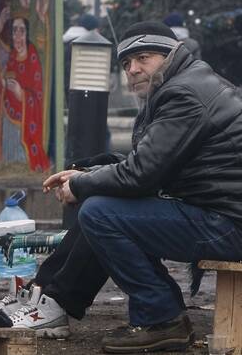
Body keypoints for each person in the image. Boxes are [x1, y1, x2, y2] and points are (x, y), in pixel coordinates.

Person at [21, 21, 242, 353]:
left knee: (101, 212)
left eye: (144, 58)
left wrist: (83, 184)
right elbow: (154, 165)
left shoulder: (183, 93)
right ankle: (53, 297)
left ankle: (161, 319)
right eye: (126, 64)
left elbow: (142, 174)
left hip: (228, 224)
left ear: (170, 56)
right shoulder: (190, 83)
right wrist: (91, 175)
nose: (134, 70)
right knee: (106, 203)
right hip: (223, 214)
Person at [0, 15, 50, 171]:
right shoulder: (11, 55)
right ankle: (8, 163)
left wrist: (21, 94)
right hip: (7, 116)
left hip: (24, 117)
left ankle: (22, 164)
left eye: (21, 31)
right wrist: (4, 84)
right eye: (14, 31)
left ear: (27, 34)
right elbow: (4, 74)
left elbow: (37, 94)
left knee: (21, 159)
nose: (17, 36)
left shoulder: (32, 57)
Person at [62, 13, 99, 95]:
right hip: (80, 88)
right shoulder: (83, 44)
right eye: (96, 28)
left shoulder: (68, 42)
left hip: (69, 86)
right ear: (92, 29)